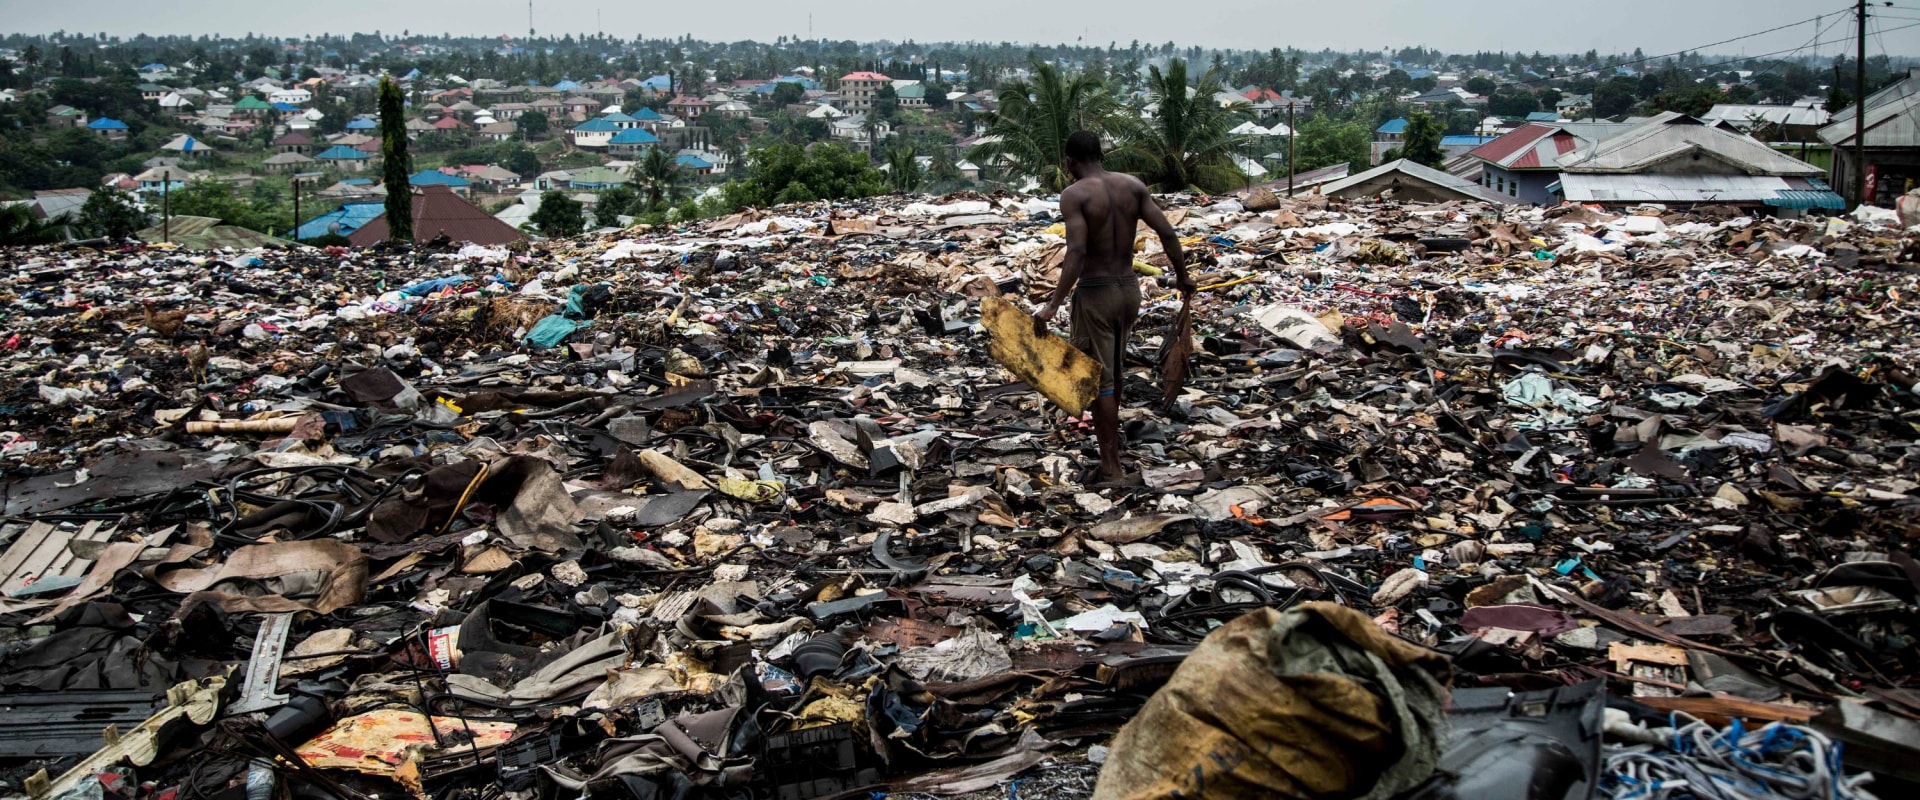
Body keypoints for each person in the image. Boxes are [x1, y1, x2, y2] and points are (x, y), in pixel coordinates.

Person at [1034, 130, 1193, 482]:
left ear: (1070, 161)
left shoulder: (1074, 195)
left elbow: (1076, 251)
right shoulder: (1132, 186)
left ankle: (1112, 468)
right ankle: (1113, 453)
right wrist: (1182, 277)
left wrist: (1053, 304)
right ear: (1101, 154)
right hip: (1129, 291)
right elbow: (1168, 233)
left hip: (1096, 293)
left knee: (1098, 380)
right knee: (1114, 372)